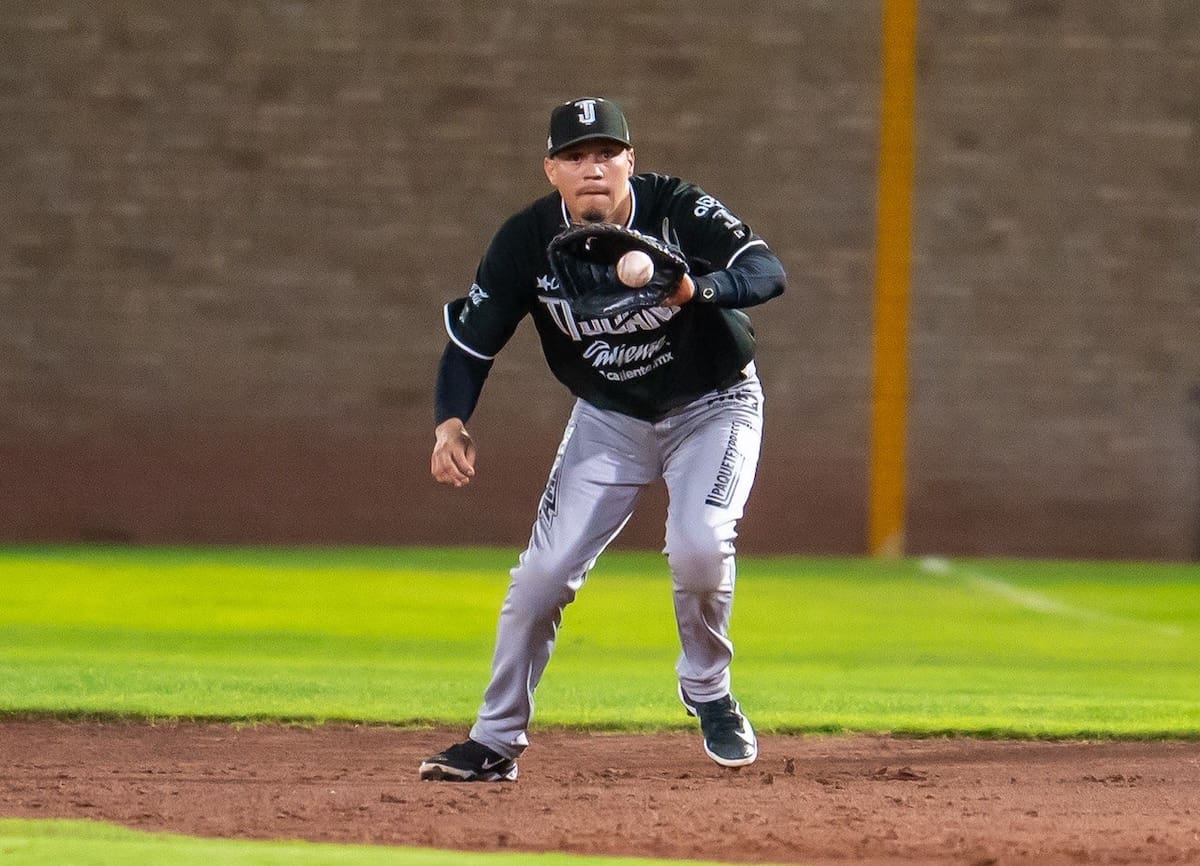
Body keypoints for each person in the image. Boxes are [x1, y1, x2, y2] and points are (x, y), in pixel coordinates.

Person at [420, 97, 786, 782]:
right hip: (610, 419)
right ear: (551, 170)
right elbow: (471, 345)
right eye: (575, 156)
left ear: (630, 162)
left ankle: (708, 690)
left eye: (606, 153)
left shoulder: (675, 208)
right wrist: (451, 423)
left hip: (714, 404)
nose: (593, 168)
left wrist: (698, 289)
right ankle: (494, 742)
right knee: (541, 577)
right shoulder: (525, 241)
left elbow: (768, 272)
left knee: (701, 545)